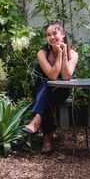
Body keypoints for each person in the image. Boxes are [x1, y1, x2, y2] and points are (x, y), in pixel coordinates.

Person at [23, 19, 78, 156]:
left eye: (55, 33)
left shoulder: (73, 54)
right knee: (46, 86)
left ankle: (37, 121)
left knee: (47, 88)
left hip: (62, 90)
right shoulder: (42, 53)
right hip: (42, 89)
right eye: (48, 35)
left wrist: (63, 54)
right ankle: (46, 140)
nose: (52, 37)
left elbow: (65, 77)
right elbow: (52, 76)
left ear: (63, 34)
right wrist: (58, 54)